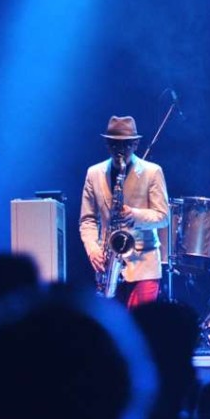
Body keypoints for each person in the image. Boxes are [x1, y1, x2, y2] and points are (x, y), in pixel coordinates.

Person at [80, 115, 169, 309]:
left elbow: (163, 216)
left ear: (136, 144)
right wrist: (92, 249)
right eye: (114, 145)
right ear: (107, 144)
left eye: (126, 145)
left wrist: (135, 215)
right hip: (108, 265)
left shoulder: (152, 172)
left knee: (142, 327)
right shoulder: (93, 173)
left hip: (144, 262)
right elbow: (87, 219)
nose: (120, 151)